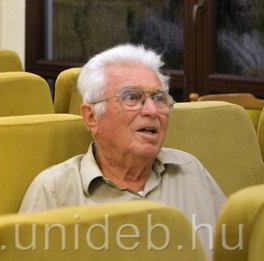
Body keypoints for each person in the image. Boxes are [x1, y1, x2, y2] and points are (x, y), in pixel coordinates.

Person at [20, 44, 225, 258]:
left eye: (159, 98)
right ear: (92, 117)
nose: (152, 110)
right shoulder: (54, 192)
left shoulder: (190, 170)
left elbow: (236, 249)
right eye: (132, 98)